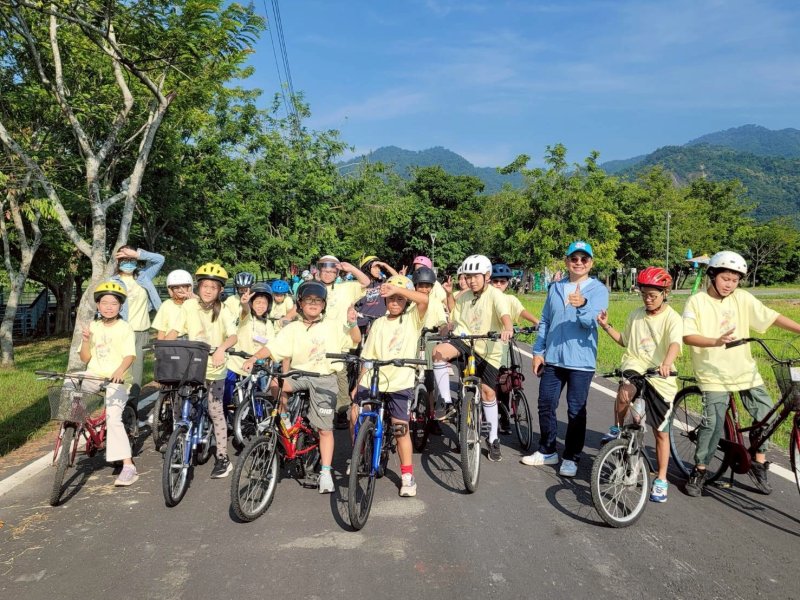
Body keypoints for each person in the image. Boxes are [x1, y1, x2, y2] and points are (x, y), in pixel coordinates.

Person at [682, 251, 800, 497]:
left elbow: (772, 317)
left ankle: (758, 461)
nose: (730, 284)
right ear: (712, 275)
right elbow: (687, 335)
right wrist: (715, 341)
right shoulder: (697, 302)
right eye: (725, 278)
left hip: (744, 370)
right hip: (712, 372)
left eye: (735, 280)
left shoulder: (743, 298)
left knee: (767, 415)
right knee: (713, 424)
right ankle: (700, 469)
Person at [241, 281, 361, 493]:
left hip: (324, 378)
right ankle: (284, 418)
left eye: (318, 301)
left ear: (323, 305)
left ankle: (325, 472)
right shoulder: (293, 328)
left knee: (325, 429)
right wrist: (252, 358)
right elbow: (273, 348)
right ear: (300, 304)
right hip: (299, 374)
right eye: (308, 300)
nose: (313, 304)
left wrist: (352, 323)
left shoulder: (333, 325)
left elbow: (355, 340)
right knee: (275, 382)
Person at [521, 241, 609, 477]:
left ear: (591, 263)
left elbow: (590, 322)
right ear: (567, 261)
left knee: (575, 410)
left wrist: (582, 305)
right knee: (545, 403)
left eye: (584, 259)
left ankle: (571, 456)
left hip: (581, 360)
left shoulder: (598, 290)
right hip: (553, 358)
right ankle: (547, 450)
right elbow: (545, 320)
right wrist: (538, 351)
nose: (579, 263)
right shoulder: (556, 287)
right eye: (574, 258)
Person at [597, 267, 681, 502]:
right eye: (644, 294)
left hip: (660, 377)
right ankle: (616, 428)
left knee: (661, 433)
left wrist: (667, 363)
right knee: (625, 392)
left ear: (665, 293)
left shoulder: (672, 318)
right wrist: (606, 326)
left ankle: (661, 479)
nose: (647, 299)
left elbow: (675, 344)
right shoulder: (635, 315)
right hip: (635, 366)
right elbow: (625, 341)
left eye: (652, 295)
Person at [431, 254, 514, 462]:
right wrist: (447, 327)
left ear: (487, 276)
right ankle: (447, 403)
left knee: (488, 394)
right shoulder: (464, 296)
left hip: (489, 349)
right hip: (466, 342)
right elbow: (454, 317)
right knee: (438, 353)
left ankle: (493, 438)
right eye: (468, 276)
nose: (471, 280)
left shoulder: (495, 295)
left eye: (476, 276)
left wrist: (507, 328)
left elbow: (505, 315)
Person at [351, 275, 428, 497]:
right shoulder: (378, 323)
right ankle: (360, 456)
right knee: (355, 413)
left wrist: (397, 289)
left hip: (400, 381)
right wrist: (358, 383)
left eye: (400, 299)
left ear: (406, 301)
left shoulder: (413, 318)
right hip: (374, 377)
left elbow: (424, 300)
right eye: (391, 298)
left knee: (400, 428)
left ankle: (407, 476)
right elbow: (367, 357)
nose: (395, 302)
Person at [168, 263, 238, 479]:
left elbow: (233, 336)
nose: (208, 290)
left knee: (215, 410)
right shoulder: (189, 306)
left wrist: (221, 349)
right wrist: (165, 347)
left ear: (220, 290)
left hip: (215, 367)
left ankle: (223, 458)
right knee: (180, 404)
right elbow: (174, 330)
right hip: (192, 365)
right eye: (205, 286)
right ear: (198, 287)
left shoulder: (224, 310)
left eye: (213, 287)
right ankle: (179, 439)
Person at [77, 281, 137, 486]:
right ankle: (74, 426)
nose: (109, 307)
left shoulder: (125, 328)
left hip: (117, 380)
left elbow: (130, 355)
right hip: (95, 375)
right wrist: (86, 340)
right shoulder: (93, 326)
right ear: (98, 305)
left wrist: (119, 371)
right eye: (104, 303)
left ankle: (128, 466)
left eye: (114, 303)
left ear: (120, 306)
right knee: (71, 382)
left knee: (113, 419)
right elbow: (85, 358)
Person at [315, 255, 370, 428]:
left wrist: (351, 268)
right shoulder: (312, 288)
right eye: (325, 271)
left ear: (337, 273)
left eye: (332, 271)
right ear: (319, 271)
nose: (328, 274)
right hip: (316, 341)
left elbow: (366, 282)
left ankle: (341, 410)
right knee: (316, 376)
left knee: (340, 377)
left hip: (340, 342)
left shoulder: (346, 287)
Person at [111, 245, 164, 402]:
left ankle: (132, 407)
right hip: (122, 331)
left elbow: (160, 259)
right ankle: (116, 404)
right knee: (119, 370)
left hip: (141, 331)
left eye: (131, 259)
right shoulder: (112, 281)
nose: (128, 263)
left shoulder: (143, 276)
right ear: (118, 260)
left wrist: (137, 254)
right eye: (124, 259)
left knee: (136, 374)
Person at [227, 282, 276, 383]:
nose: (261, 306)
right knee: (228, 391)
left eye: (264, 303)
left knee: (258, 391)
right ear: (251, 303)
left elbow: (271, 344)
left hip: (255, 366)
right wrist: (244, 303)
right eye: (258, 302)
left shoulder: (268, 324)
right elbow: (245, 310)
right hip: (236, 364)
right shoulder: (247, 317)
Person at [354, 255, 397, 334]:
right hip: (362, 323)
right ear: (366, 268)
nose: (378, 270)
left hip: (379, 321)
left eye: (379, 268)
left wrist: (385, 265)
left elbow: (398, 278)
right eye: (375, 267)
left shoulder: (382, 282)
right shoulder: (360, 285)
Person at [151, 269, 193, 340]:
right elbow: (162, 329)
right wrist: (161, 345)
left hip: (191, 340)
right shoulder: (167, 305)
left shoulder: (194, 304)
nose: (180, 290)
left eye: (183, 286)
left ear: (189, 288)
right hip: (171, 340)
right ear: (171, 290)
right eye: (176, 287)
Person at [413, 267, 447, 331]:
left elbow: (442, 321)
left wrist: (444, 328)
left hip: (430, 335)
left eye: (427, 286)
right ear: (415, 286)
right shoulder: (410, 302)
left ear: (432, 287)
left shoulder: (436, 302)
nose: (424, 290)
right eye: (421, 286)